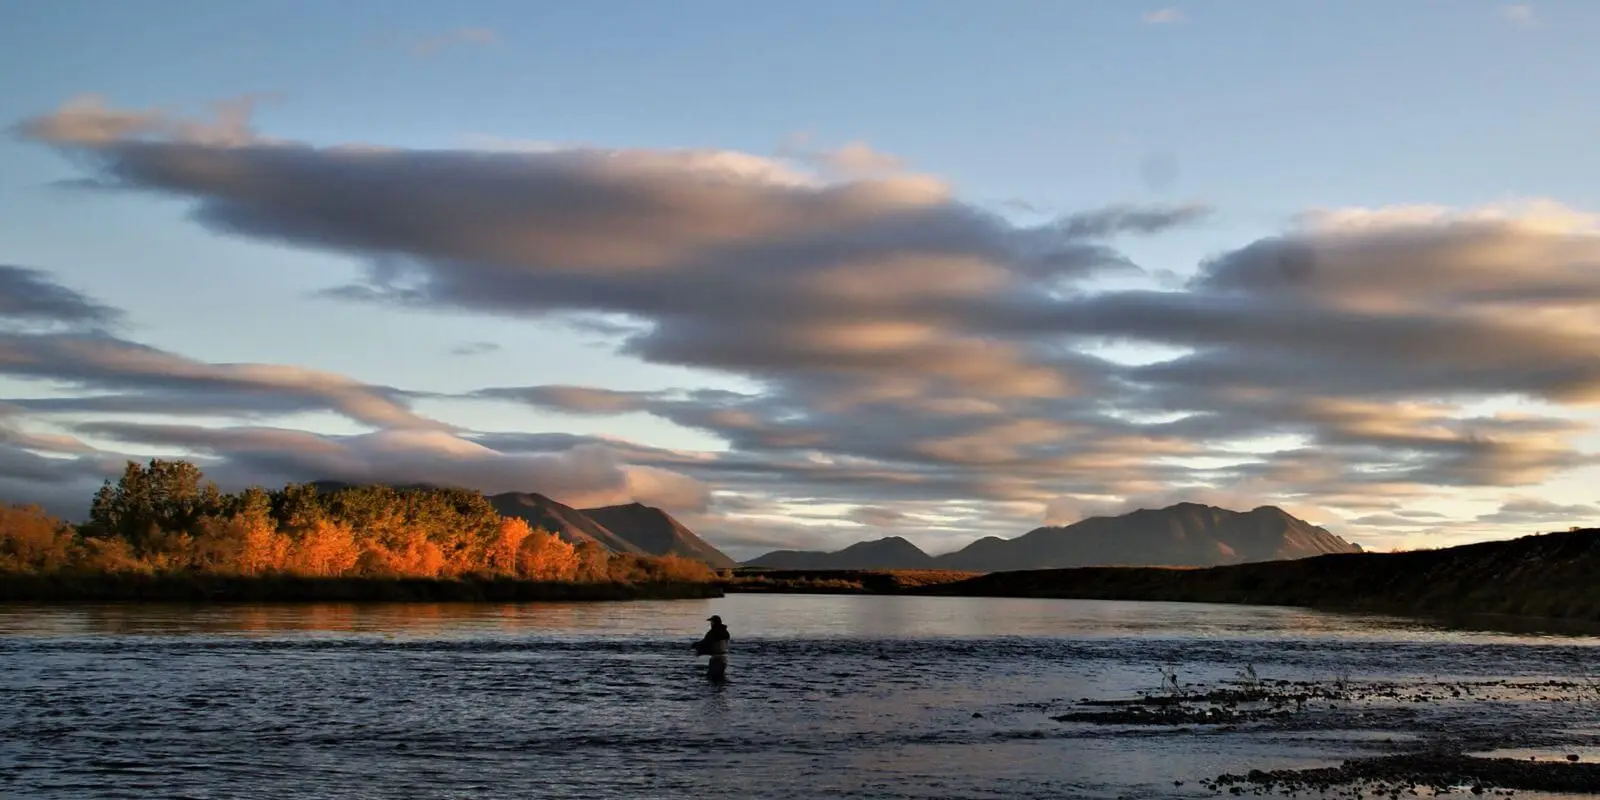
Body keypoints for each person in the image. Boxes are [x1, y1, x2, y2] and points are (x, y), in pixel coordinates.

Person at [694, 615, 730, 682]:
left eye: (711, 622)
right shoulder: (725, 632)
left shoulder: (713, 632)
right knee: (720, 680)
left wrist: (695, 645)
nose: (710, 623)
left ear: (714, 622)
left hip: (715, 659)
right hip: (724, 659)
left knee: (712, 679)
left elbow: (705, 643)